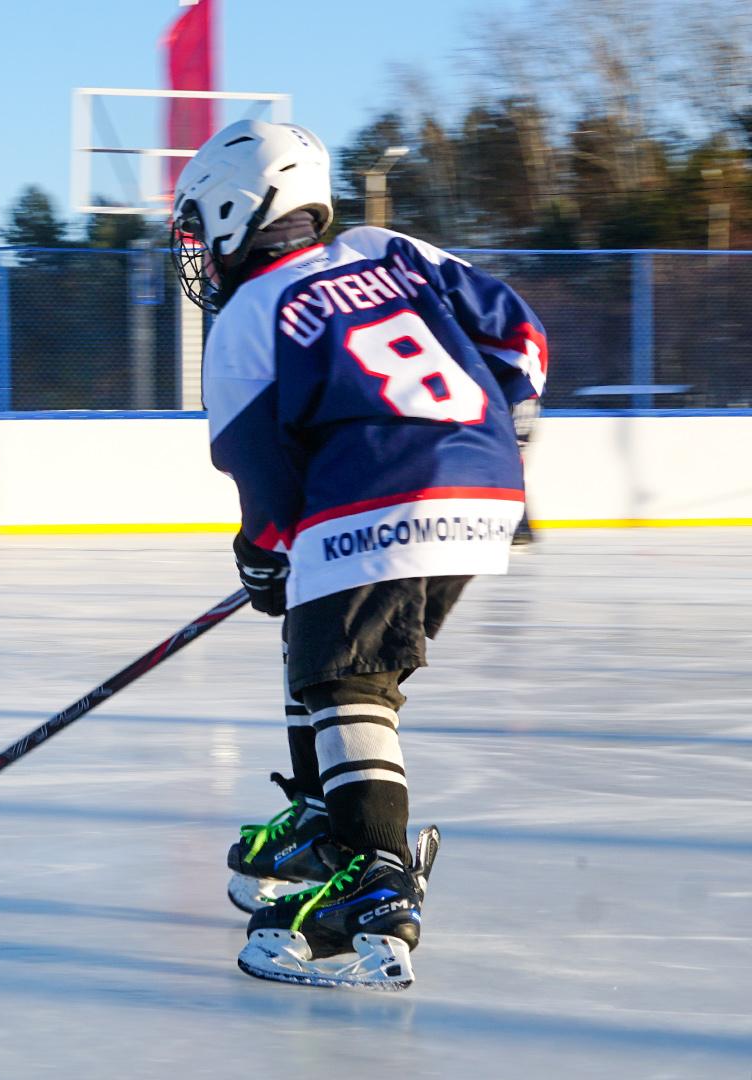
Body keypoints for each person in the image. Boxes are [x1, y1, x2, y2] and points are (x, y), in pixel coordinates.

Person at [171, 120, 546, 988]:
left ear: (238, 212)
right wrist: (503, 427)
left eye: (199, 224)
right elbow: (520, 340)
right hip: (486, 481)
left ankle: (376, 883)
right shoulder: (392, 248)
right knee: (330, 649)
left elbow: (259, 470)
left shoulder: (246, 318)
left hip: (376, 482)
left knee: (349, 680)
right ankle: (327, 819)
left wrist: (261, 552)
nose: (197, 248)